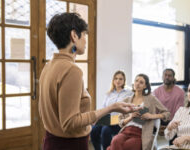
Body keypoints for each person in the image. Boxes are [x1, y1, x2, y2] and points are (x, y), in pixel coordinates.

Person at [39, 12, 137, 150]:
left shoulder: (48, 66)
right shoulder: (71, 70)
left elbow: (45, 111)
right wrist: (111, 108)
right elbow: (70, 122)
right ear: (74, 35)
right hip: (70, 145)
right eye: (84, 35)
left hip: (51, 141)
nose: (85, 40)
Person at [107, 74, 170, 150]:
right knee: (115, 141)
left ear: (145, 86)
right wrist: (130, 117)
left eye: (141, 82)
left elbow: (167, 113)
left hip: (141, 133)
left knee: (125, 146)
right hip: (125, 131)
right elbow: (120, 122)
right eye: (136, 81)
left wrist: (151, 116)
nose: (137, 84)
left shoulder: (151, 98)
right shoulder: (126, 100)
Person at [90, 70, 133, 150]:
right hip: (108, 118)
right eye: (116, 78)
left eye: (120, 79)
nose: (118, 81)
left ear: (124, 81)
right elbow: (104, 108)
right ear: (113, 80)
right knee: (93, 130)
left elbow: (130, 108)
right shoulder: (109, 93)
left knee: (105, 130)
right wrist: (97, 118)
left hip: (119, 119)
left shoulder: (129, 93)